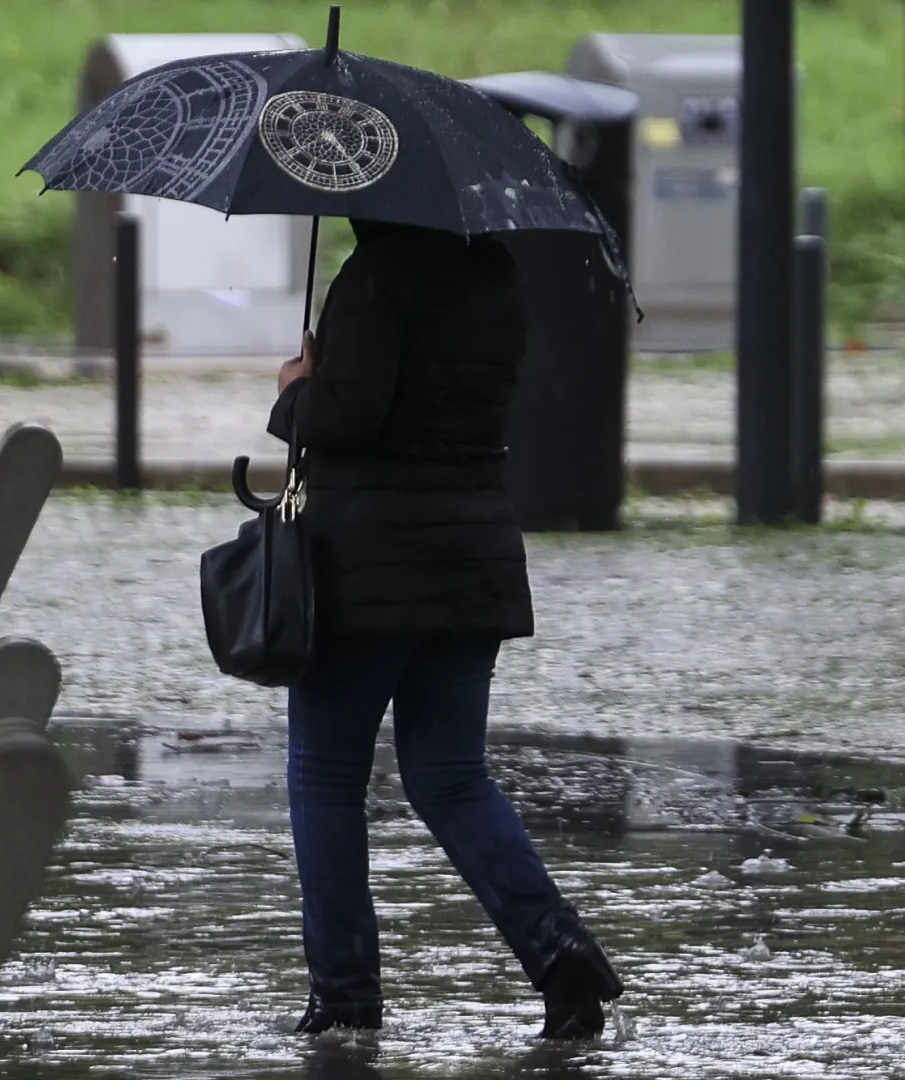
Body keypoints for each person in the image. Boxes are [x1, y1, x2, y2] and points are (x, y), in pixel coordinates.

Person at [266, 218, 623, 1039]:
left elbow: (350, 414)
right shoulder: (494, 272)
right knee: (451, 776)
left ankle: (345, 996)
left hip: (370, 571)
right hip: (472, 557)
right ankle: (560, 952)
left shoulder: (377, 275)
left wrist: (296, 390)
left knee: (324, 775)